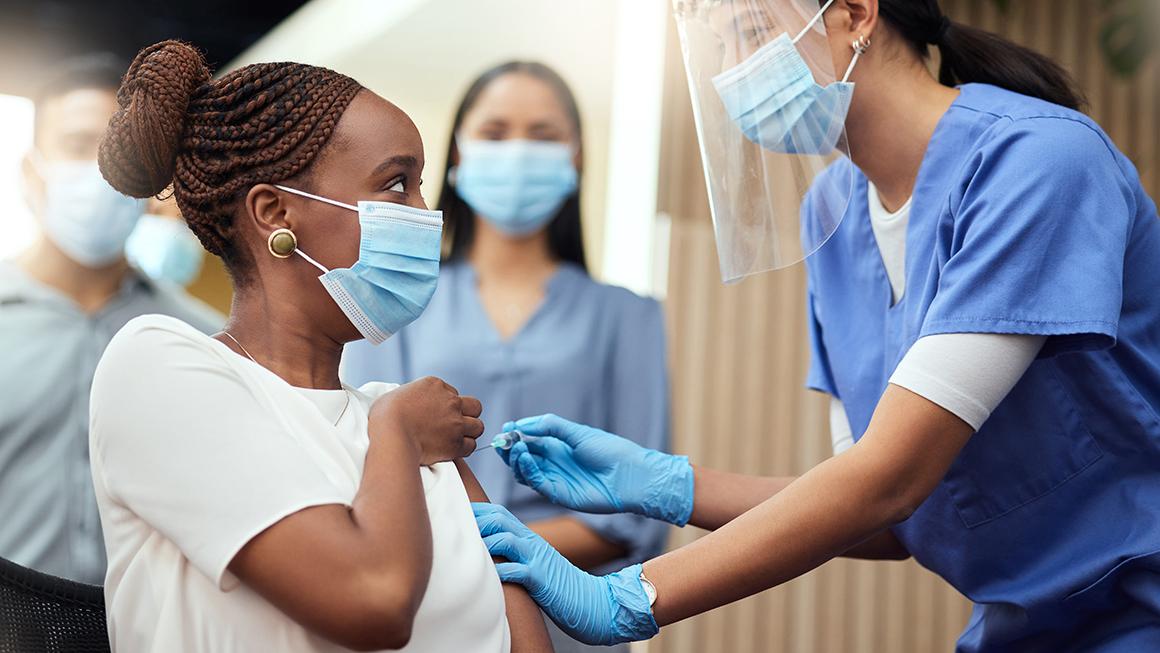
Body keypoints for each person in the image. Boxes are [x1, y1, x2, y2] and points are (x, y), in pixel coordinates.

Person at [474, 1, 1160, 651]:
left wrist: (630, 595)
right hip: (1023, 628)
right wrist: (669, 485)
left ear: (857, 13)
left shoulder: (1037, 162)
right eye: (719, 46)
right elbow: (881, 512)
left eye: (746, 30)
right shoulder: (834, 213)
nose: (730, 71)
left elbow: (889, 476)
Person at [88, 41, 550, 651]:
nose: (423, 214)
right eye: (395, 184)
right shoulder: (157, 365)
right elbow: (372, 601)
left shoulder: (402, 417)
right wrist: (397, 436)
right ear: (276, 212)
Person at [342, 60, 670, 652]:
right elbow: (363, 455)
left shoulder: (630, 316)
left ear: (574, 158)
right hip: (430, 609)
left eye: (542, 135)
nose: (517, 151)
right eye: (495, 133)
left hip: (572, 616)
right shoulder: (393, 299)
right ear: (458, 156)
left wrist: (508, 550)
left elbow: (637, 513)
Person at [0, 53, 221, 584]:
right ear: (32, 171)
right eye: (78, 146)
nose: (101, 169)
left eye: (122, 152)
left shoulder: (201, 337)